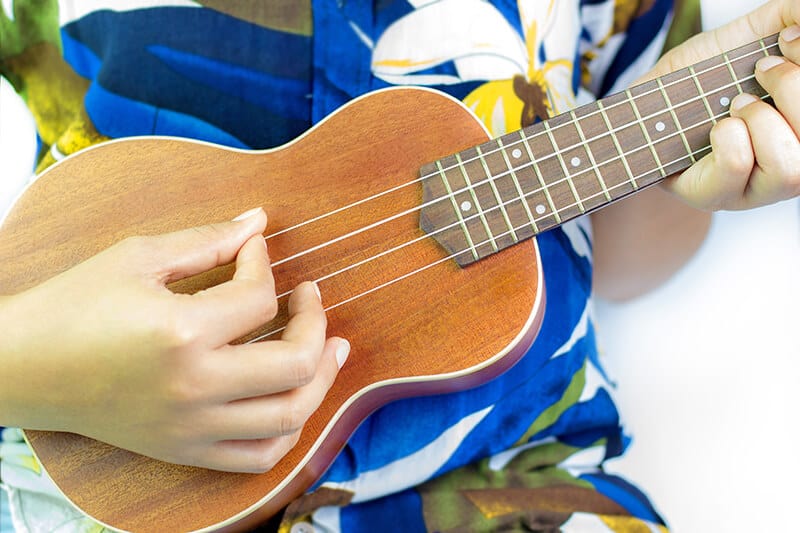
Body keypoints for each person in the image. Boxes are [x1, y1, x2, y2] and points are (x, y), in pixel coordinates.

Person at [0, 0, 797, 531]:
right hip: (82, 480)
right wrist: (39, 367)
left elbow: (615, 262)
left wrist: (700, 165)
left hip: (513, 482)